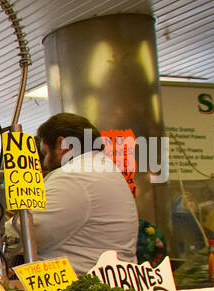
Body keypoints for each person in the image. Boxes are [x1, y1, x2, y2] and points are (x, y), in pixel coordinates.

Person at [17, 112, 139, 273]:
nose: (45, 163)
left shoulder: (73, 176)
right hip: (108, 281)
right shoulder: (105, 169)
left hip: (84, 287)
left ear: (63, 144)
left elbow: (27, 234)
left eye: (45, 153)